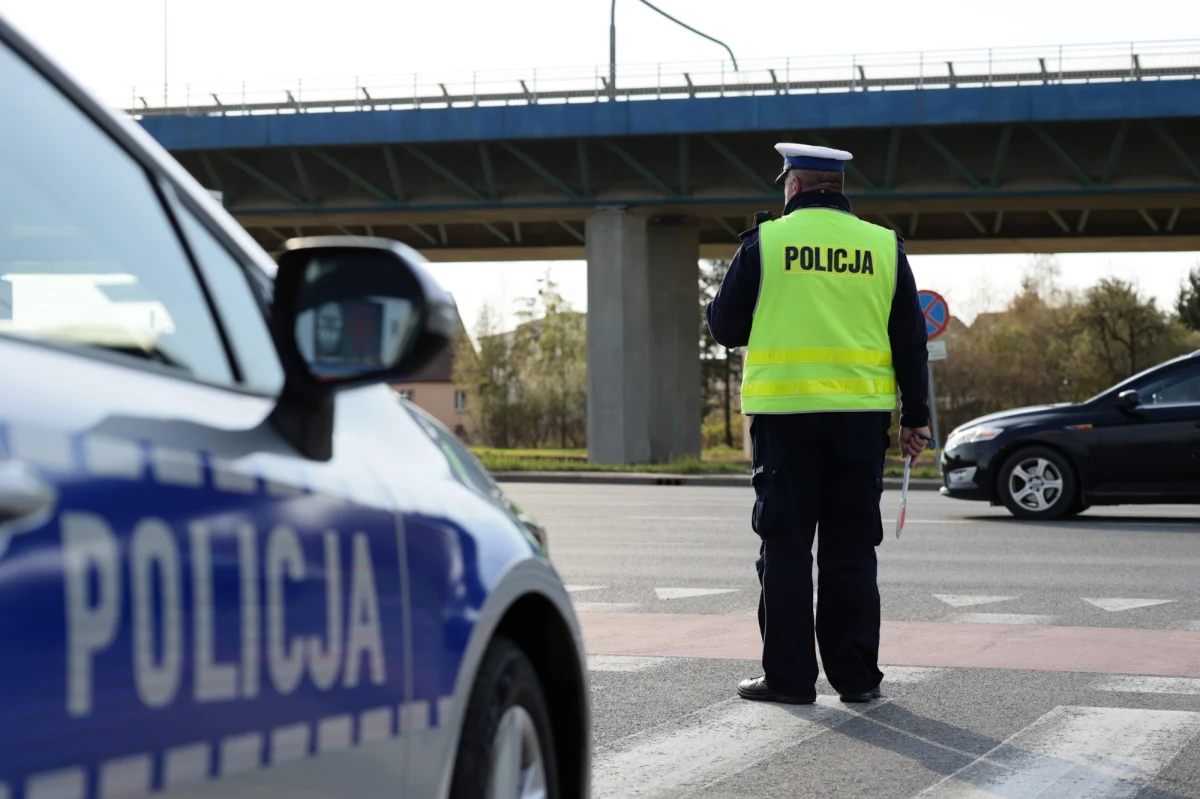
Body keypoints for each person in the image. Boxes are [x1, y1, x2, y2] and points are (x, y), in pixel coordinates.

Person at [706, 143, 931, 705]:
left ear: (794, 186)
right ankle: (856, 680)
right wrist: (916, 419)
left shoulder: (769, 243)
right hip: (860, 423)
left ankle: (789, 679)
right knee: (851, 551)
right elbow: (910, 339)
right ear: (839, 185)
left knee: (784, 549)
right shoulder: (883, 246)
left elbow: (725, 328)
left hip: (786, 423)